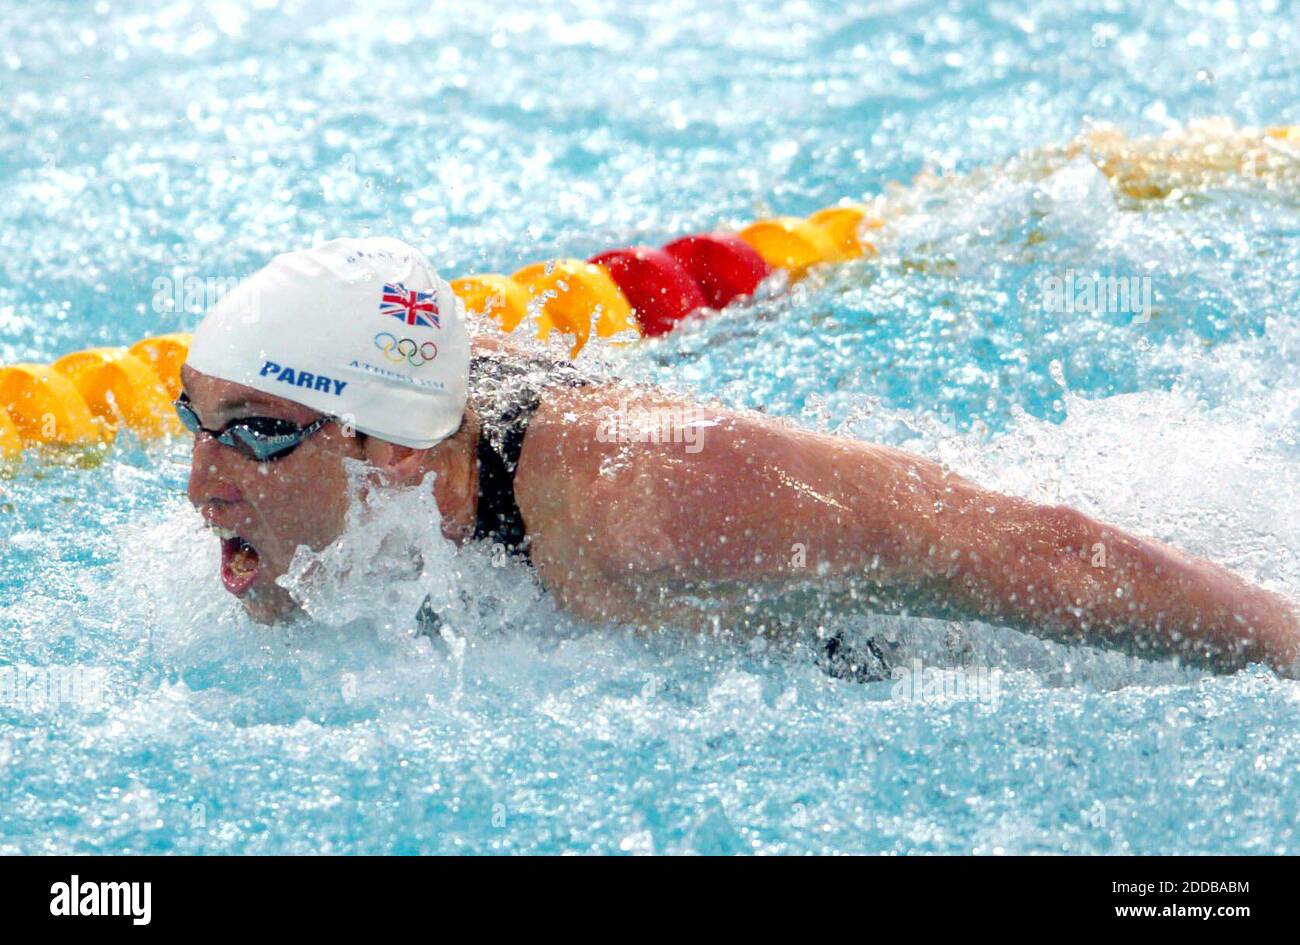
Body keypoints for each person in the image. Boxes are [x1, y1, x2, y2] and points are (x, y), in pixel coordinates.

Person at [179, 237, 1300, 676]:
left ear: (393, 449)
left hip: (936, 629)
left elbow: (1034, 550)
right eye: (193, 419)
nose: (201, 484)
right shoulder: (366, 482)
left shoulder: (648, 500)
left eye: (258, 433)